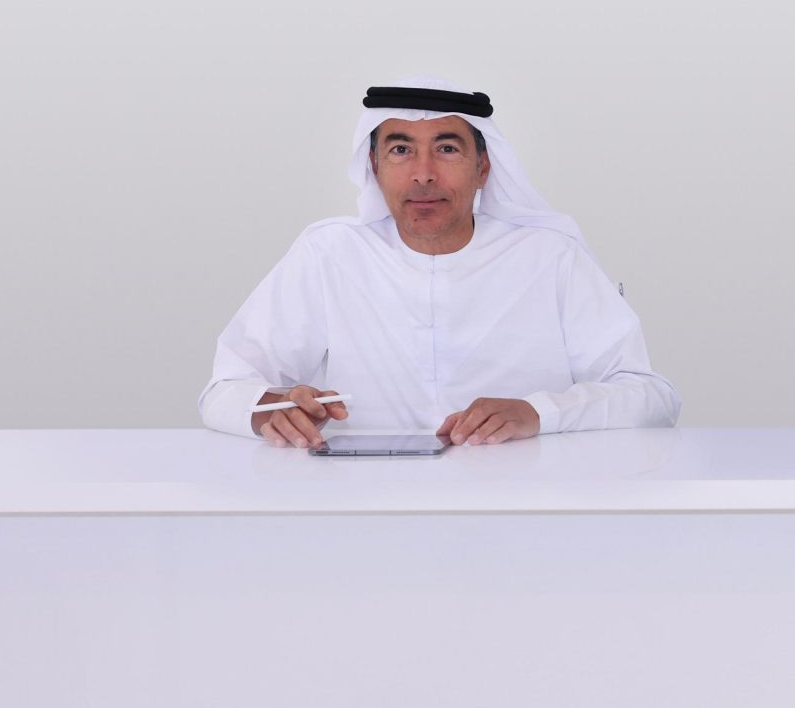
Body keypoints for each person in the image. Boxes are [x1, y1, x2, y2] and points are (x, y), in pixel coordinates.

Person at [200, 79, 680, 446]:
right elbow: (224, 391)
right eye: (400, 150)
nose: (423, 174)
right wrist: (269, 409)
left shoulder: (551, 257)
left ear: (483, 168)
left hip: (522, 510)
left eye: (447, 149)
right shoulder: (329, 254)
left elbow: (651, 397)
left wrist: (539, 413)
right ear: (374, 168)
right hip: (366, 510)